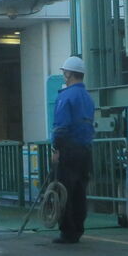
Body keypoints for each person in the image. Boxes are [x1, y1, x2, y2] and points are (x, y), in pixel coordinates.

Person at [51, 55, 95, 244]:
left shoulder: (66, 96)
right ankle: (77, 229)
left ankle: (67, 231)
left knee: (64, 191)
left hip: (68, 150)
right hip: (85, 150)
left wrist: (56, 149)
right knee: (79, 192)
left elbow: (61, 126)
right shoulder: (88, 98)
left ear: (69, 73)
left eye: (65, 72)